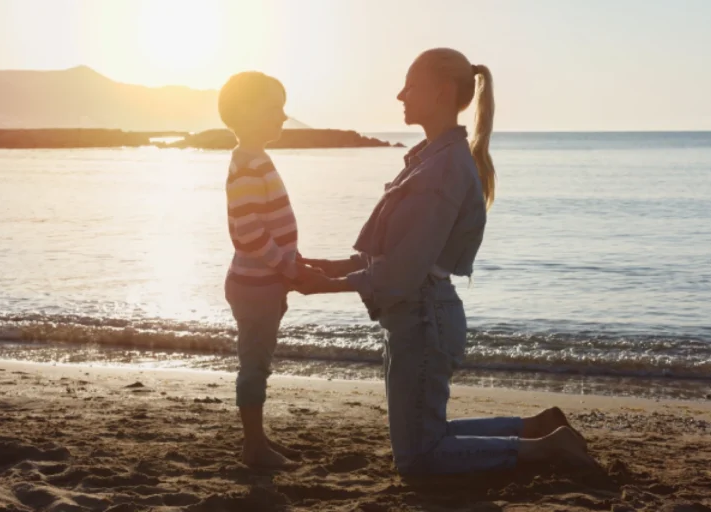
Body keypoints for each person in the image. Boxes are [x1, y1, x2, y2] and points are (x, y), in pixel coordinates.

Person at [297, 48, 596, 475]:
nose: (400, 95)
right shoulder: (430, 160)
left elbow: (403, 271)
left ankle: (546, 449)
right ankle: (536, 429)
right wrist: (320, 266)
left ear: (440, 93)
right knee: (427, 437)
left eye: (410, 86)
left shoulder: (441, 169)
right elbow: (392, 257)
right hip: (418, 316)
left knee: (418, 457)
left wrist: (319, 284)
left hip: (423, 320)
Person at [219, 71, 321, 469]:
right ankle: (254, 447)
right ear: (247, 113)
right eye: (275, 109)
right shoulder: (248, 164)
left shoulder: (255, 159)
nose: (283, 116)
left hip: (264, 281)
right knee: (255, 364)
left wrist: (294, 264)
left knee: (259, 361)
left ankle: (257, 439)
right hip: (255, 284)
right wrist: (288, 269)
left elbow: (267, 229)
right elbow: (249, 232)